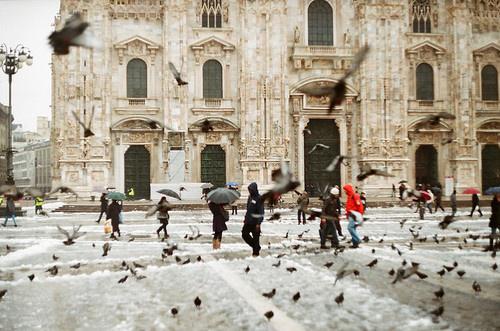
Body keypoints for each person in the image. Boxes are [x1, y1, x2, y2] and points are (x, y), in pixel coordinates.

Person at [242, 182, 264, 256]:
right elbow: (248, 209)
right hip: (248, 221)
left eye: (251, 190)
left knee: (256, 237)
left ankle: (256, 253)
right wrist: (246, 218)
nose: (250, 191)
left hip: (255, 222)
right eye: (249, 190)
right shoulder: (250, 197)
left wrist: (258, 223)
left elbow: (261, 211)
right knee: (244, 234)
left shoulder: (259, 198)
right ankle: (256, 247)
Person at [343, 184, 364, 248]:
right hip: (351, 214)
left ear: (348, 190)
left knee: (350, 228)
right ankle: (355, 244)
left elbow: (359, 206)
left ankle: (358, 240)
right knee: (353, 228)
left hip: (354, 215)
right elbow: (349, 206)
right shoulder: (349, 196)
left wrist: (360, 214)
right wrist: (347, 214)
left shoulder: (354, 196)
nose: (344, 192)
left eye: (345, 190)